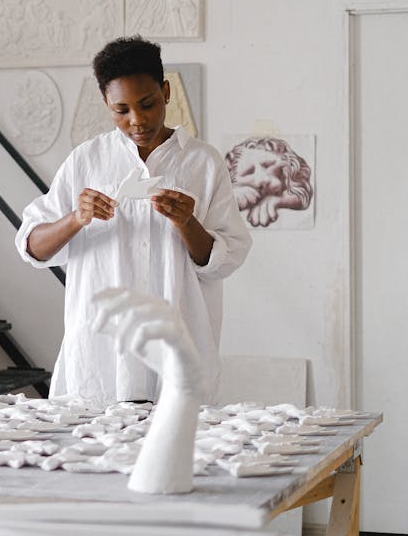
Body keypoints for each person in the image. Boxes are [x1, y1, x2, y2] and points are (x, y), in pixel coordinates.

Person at [15, 36, 251, 404]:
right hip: (101, 359)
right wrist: (76, 219)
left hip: (177, 354)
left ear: (166, 92)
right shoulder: (86, 161)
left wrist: (188, 223)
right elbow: (31, 246)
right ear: (106, 105)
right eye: (121, 110)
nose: (137, 120)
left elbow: (226, 258)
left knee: (176, 457)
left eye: (147, 104)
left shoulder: (203, 163)